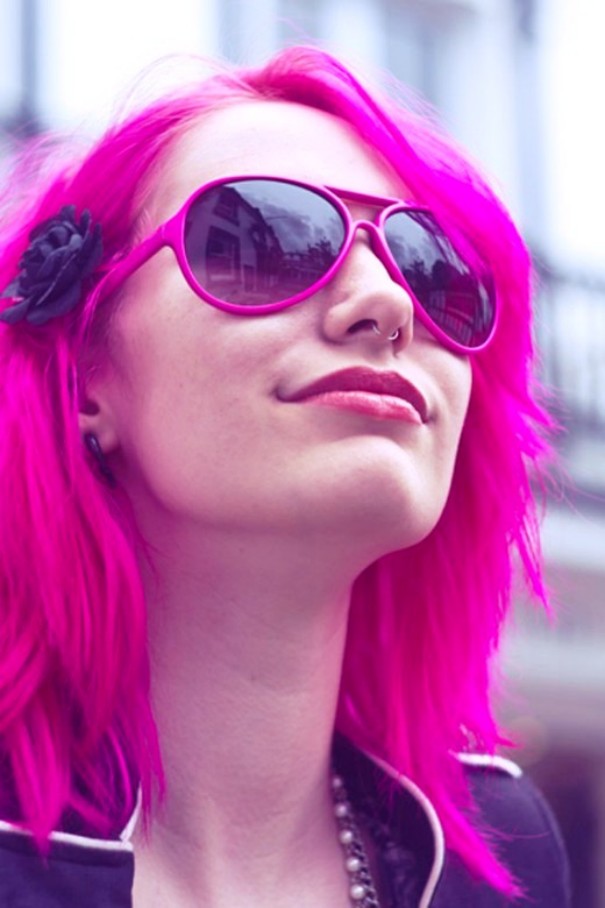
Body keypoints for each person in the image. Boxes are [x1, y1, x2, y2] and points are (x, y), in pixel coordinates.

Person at [0, 46, 569, 907]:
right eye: (265, 240)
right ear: (85, 375)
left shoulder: (503, 860)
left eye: (433, 267)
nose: (389, 303)